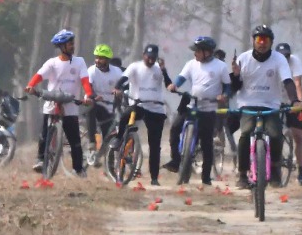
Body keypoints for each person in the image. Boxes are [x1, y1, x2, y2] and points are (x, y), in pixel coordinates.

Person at [231, 25, 300, 188]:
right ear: (253, 41)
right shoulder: (243, 58)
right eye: (259, 40)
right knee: (245, 134)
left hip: (271, 105)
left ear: (271, 42)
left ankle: (275, 169)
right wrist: (234, 75)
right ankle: (242, 174)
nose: (262, 43)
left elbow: (288, 81)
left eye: (266, 40)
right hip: (248, 104)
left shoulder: (279, 59)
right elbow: (234, 87)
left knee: (276, 134)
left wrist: (295, 100)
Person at [26, 29, 92, 177]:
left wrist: (88, 95)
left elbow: (85, 81)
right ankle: (40, 160)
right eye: (70, 44)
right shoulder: (52, 63)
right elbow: (39, 76)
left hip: (70, 104)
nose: (72, 46)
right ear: (62, 46)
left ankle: (78, 169)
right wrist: (30, 86)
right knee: (44, 134)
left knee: (75, 139)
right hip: (51, 102)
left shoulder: (79, 61)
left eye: (73, 43)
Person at [166, 35, 230, 186]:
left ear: (207, 52)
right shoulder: (191, 64)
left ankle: (206, 178)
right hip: (191, 104)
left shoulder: (220, 66)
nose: (195, 54)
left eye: (198, 51)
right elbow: (181, 78)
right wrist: (174, 85)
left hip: (208, 108)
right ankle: (175, 160)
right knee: (175, 128)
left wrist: (224, 96)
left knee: (207, 142)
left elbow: (227, 86)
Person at [120, 44, 172, 186]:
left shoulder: (159, 69)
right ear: (143, 55)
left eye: (153, 58)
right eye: (148, 57)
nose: (150, 60)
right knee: (125, 115)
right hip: (139, 105)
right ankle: (118, 140)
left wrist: (164, 70)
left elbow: (169, 84)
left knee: (154, 145)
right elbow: (124, 79)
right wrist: (118, 87)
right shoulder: (134, 67)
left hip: (156, 108)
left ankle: (154, 177)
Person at [85, 44, 124, 166]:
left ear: (108, 60)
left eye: (101, 58)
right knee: (91, 109)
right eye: (96, 57)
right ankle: (91, 142)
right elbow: (88, 87)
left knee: (110, 136)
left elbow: (125, 84)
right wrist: (93, 96)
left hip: (110, 106)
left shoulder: (117, 72)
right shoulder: (92, 70)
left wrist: (121, 91)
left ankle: (109, 166)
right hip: (96, 103)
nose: (98, 60)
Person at [277, 41, 302, 186]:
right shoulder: (272, 61)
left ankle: (301, 173)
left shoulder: (295, 61)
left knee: (298, 137)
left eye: (287, 56)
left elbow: (297, 83)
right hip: (275, 101)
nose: (285, 59)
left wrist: (300, 102)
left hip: (292, 100)